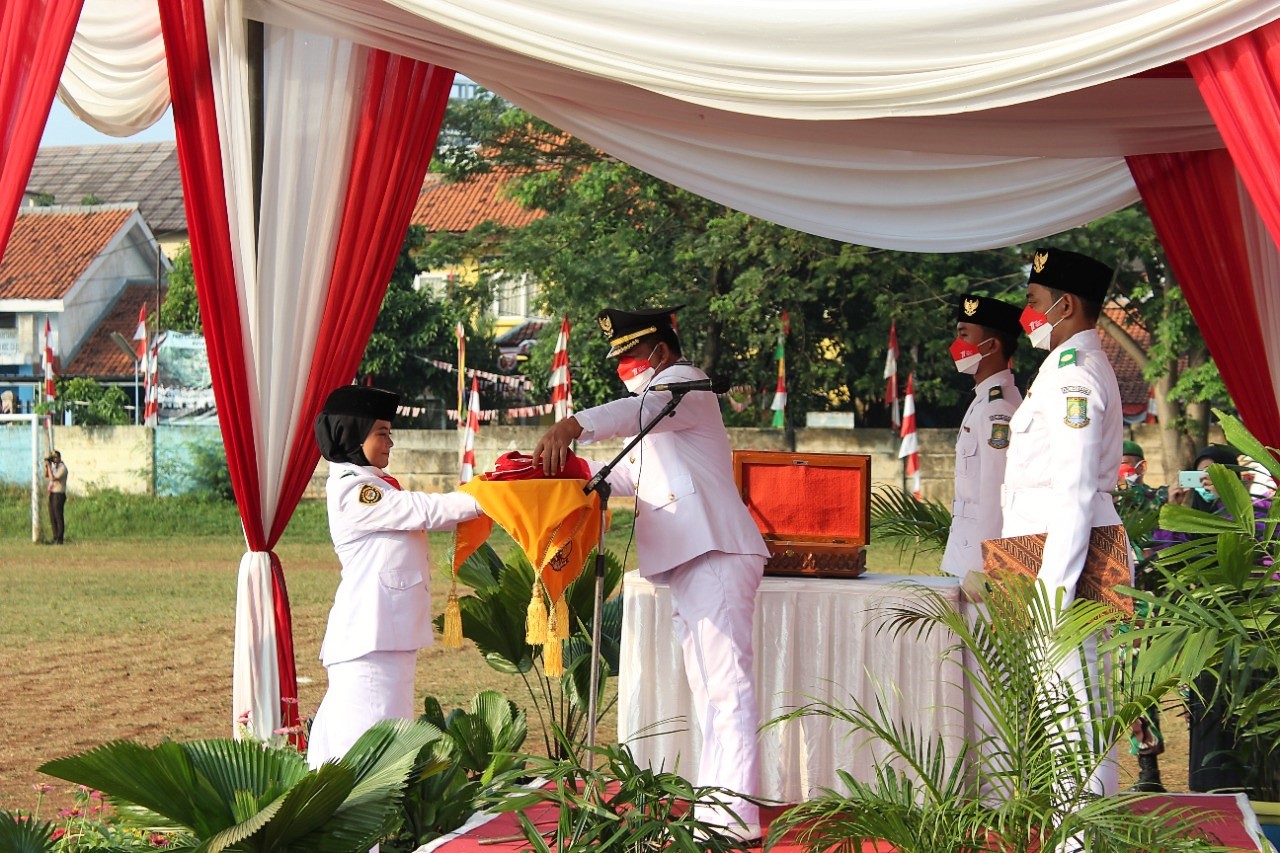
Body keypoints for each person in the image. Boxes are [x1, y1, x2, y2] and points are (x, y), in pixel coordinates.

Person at [533, 305, 770, 842]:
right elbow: (625, 476)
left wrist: (574, 424)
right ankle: (720, 812)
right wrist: (554, 475)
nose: (624, 367)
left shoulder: (682, 386)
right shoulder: (657, 413)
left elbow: (629, 415)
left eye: (631, 355)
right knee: (712, 689)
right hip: (693, 557)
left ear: (660, 351)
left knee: (727, 687)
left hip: (715, 551)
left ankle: (735, 822)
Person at [1000, 247, 1129, 796]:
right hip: (1044, 544)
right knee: (1073, 709)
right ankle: (1081, 832)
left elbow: (1074, 491)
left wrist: (1054, 593)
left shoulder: (1076, 375)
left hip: (1062, 552)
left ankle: (1075, 837)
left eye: (1033, 302)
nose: (1025, 314)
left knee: (1071, 710)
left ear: (1066, 305)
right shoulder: (1060, 368)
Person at [307, 385, 484, 781]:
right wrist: (489, 496)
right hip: (370, 642)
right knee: (368, 762)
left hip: (386, 638)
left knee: (378, 752)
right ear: (354, 435)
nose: (391, 441)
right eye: (382, 432)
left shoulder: (374, 483)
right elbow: (423, 509)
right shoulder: (355, 489)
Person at [940, 293, 1023, 587]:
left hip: (980, 560)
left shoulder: (997, 408)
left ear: (992, 345)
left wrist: (985, 563)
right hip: (966, 548)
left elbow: (995, 492)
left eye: (964, 335)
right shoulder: (985, 400)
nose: (956, 345)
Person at [44, 450, 68, 544]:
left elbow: (52, 478)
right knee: (52, 516)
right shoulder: (55, 468)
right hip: (52, 493)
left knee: (58, 516)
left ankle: (60, 538)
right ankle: (55, 537)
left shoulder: (62, 468)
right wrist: (47, 467)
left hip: (59, 494)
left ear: (59, 458)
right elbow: (46, 475)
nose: (54, 460)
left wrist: (49, 467)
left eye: (55, 458)